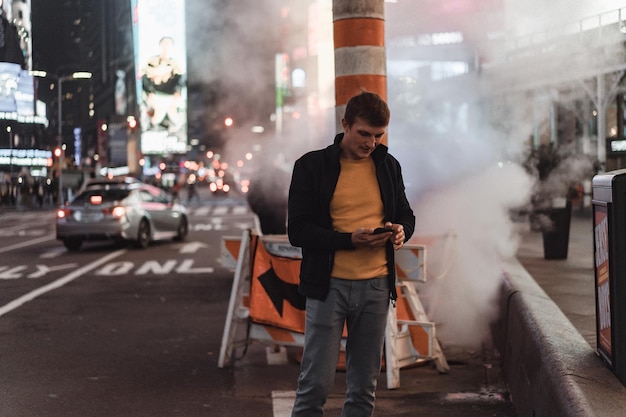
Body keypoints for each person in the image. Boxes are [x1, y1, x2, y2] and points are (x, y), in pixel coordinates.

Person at [287, 91, 415, 417]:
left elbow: (406, 214)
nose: (371, 143)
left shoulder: (388, 166)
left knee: (364, 387)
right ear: (345, 124)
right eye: (364, 134)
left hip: (376, 285)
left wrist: (400, 231)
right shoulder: (311, 166)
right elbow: (297, 231)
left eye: (378, 135)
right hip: (328, 286)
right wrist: (348, 240)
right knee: (315, 382)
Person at [141, 36, 184, 132]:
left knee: (173, 112)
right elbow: (144, 78)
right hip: (154, 94)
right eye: (164, 44)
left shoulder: (174, 63)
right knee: (157, 112)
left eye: (168, 44)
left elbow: (180, 80)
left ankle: (174, 131)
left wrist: (177, 92)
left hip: (170, 95)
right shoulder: (152, 60)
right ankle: (151, 128)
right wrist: (150, 92)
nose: (166, 46)